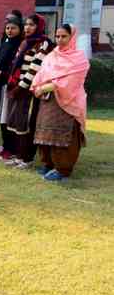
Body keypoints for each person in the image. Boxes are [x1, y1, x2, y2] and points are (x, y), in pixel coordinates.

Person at [31, 24, 90, 181]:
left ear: (72, 37)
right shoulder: (51, 56)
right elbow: (41, 73)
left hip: (68, 101)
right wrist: (38, 86)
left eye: (64, 36)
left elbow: (72, 81)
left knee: (63, 134)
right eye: (57, 36)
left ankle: (62, 169)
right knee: (45, 131)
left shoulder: (79, 59)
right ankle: (48, 164)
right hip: (48, 101)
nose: (60, 40)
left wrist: (47, 86)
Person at [5, 14, 55, 169]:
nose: (27, 27)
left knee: (27, 123)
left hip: (30, 90)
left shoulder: (44, 43)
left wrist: (21, 87)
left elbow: (35, 67)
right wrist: (13, 84)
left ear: (39, 27)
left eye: (32, 25)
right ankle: (19, 155)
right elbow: (16, 65)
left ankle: (27, 158)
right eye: (26, 24)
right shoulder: (25, 42)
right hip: (18, 88)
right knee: (16, 122)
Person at [0, 13, 24, 161]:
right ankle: (5, 145)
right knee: (0, 116)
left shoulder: (20, 45)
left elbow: (14, 66)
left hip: (8, 85)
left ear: (20, 29)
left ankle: (12, 149)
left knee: (7, 117)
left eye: (13, 28)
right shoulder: (6, 41)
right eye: (8, 28)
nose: (10, 30)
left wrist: (2, 74)